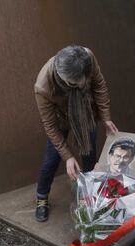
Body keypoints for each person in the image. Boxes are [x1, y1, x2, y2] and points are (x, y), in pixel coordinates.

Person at [34, 45, 118, 222]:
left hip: (85, 112)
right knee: (51, 159)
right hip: (60, 120)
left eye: (83, 82)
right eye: (75, 84)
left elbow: (99, 86)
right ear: (64, 79)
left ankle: (89, 196)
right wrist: (68, 156)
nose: (81, 85)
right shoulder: (43, 87)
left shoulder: (87, 57)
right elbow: (49, 126)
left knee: (89, 154)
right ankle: (41, 198)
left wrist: (106, 117)